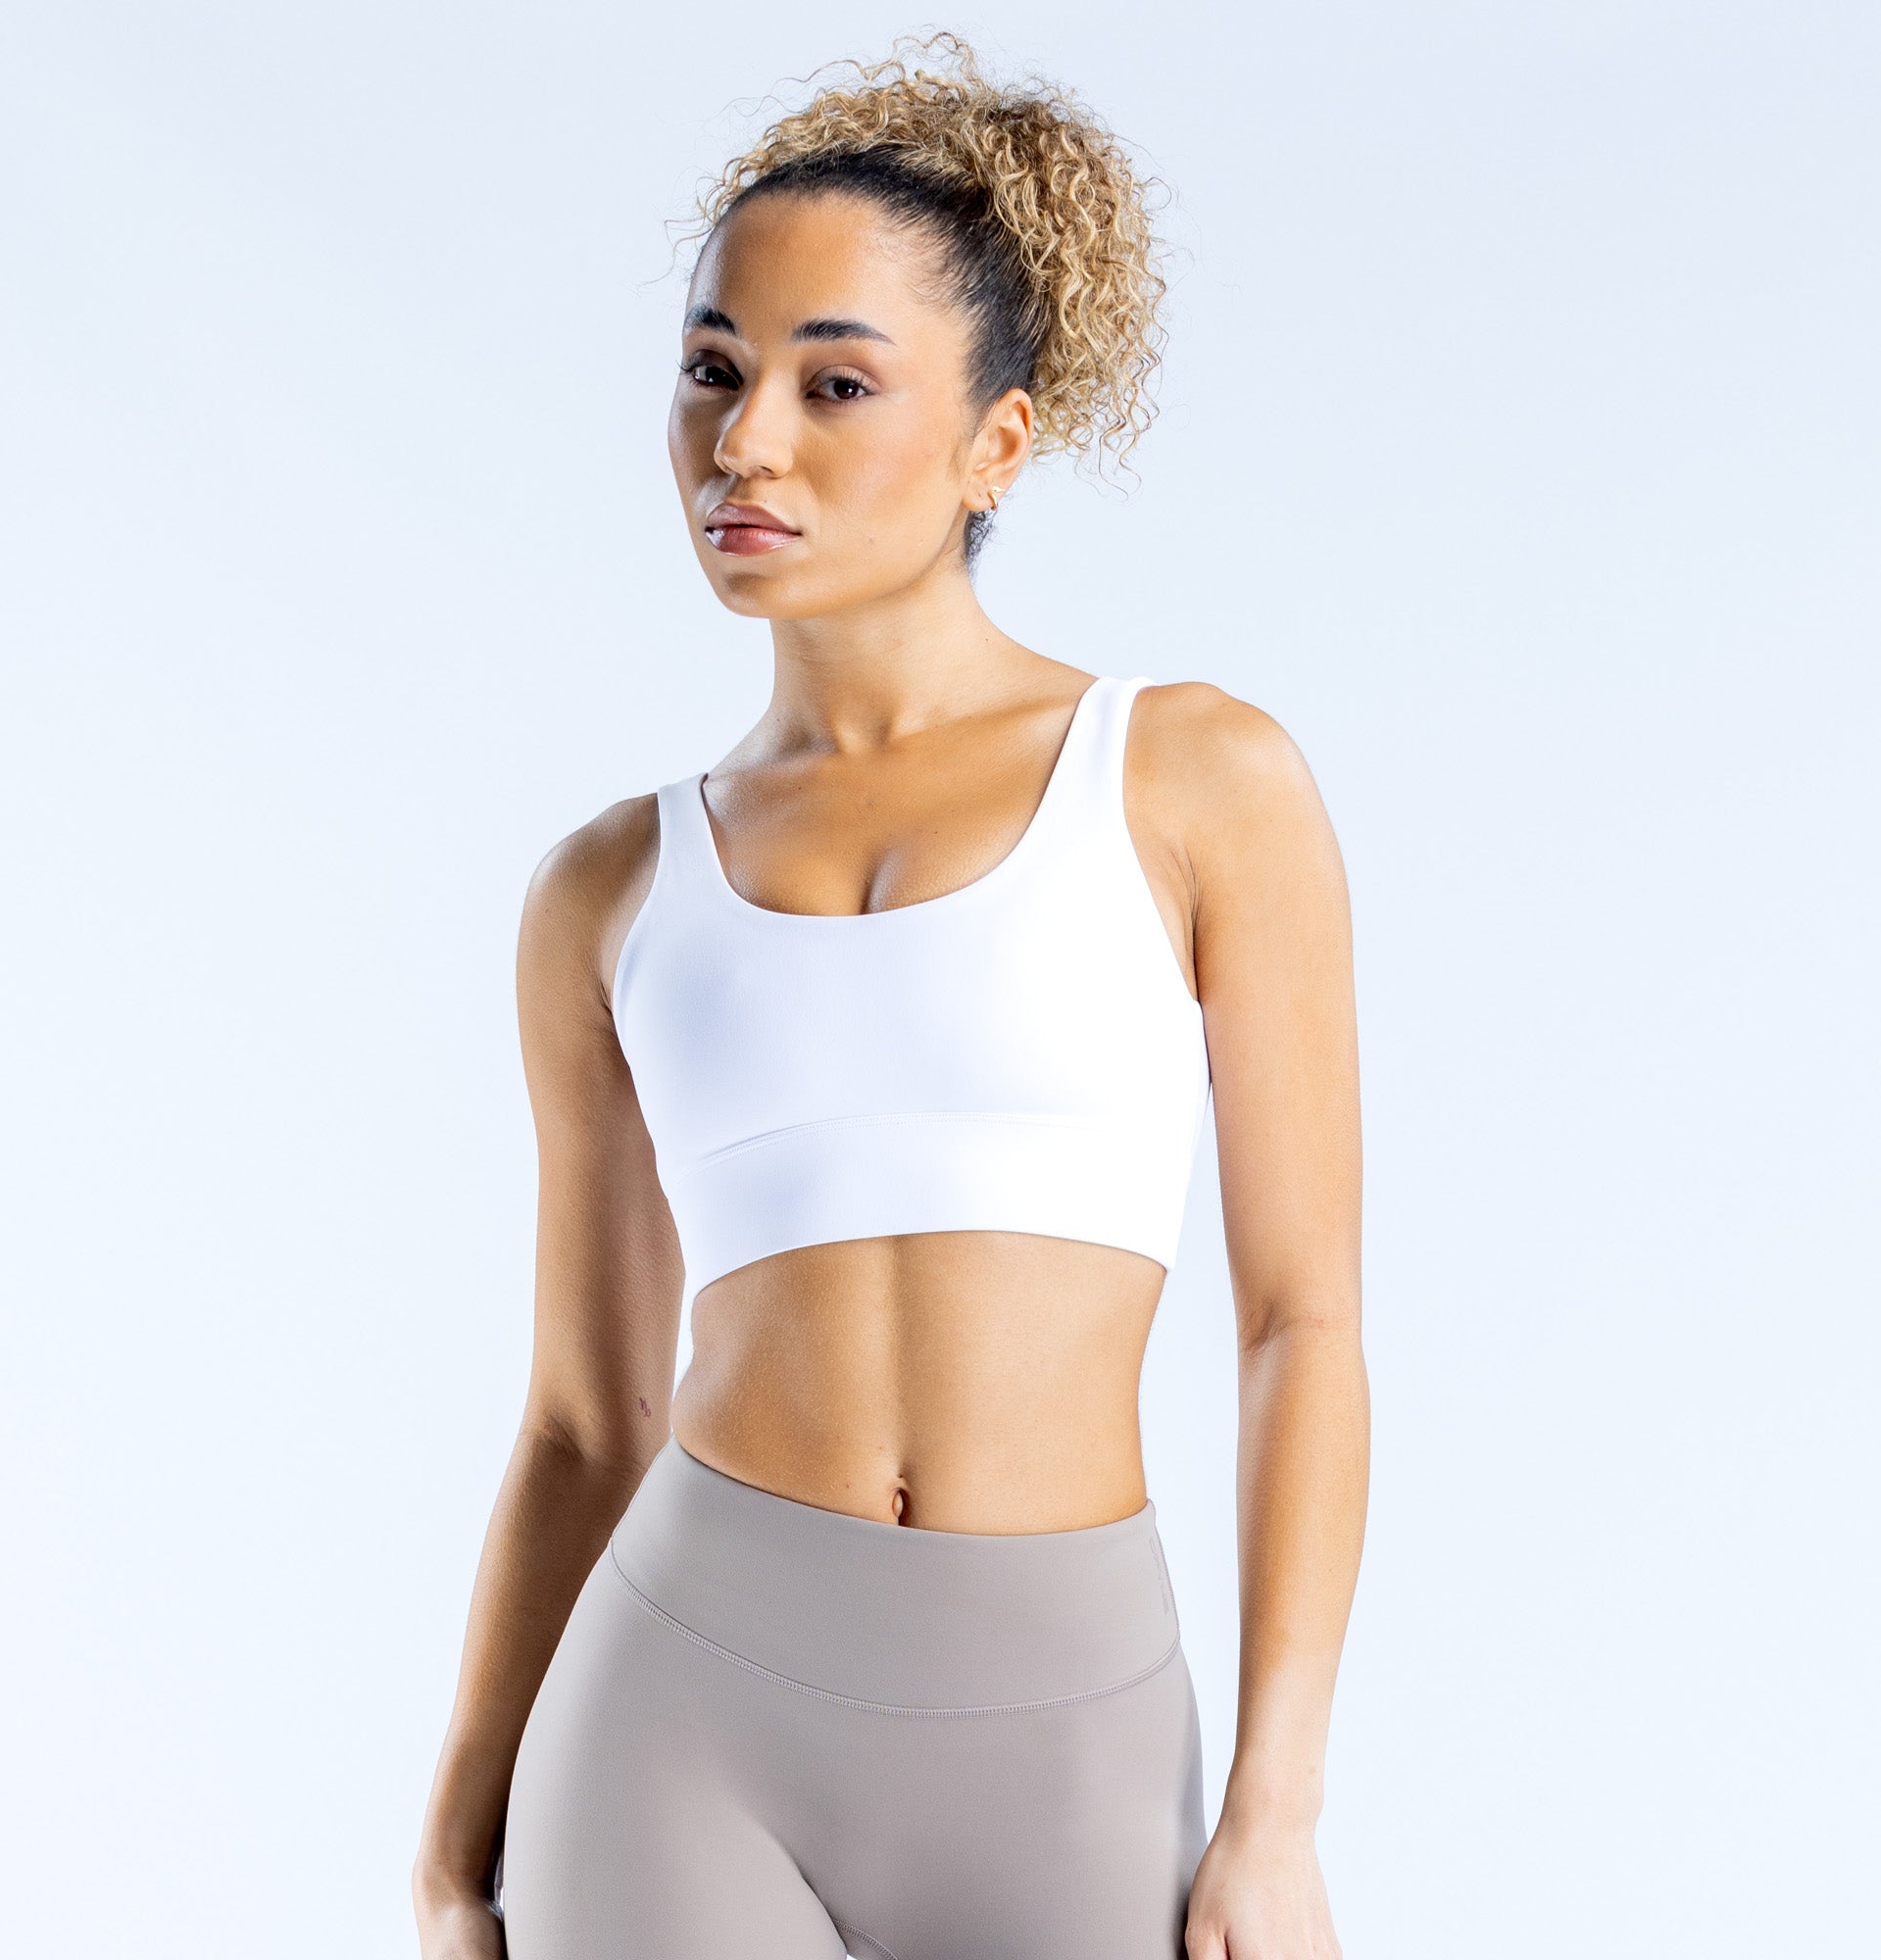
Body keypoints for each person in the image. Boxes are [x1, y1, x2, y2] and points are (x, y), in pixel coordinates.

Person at [412, 32, 1366, 1960]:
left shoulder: (1192, 781)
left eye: (832, 383)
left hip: (1068, 1722)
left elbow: (1301, 1323)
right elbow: (584, 1422)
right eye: (712, 370)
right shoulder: (609, 890)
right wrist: (452, 1855)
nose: (745, 441)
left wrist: (1274, 1812)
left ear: (997, 444)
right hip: (677, 1711)